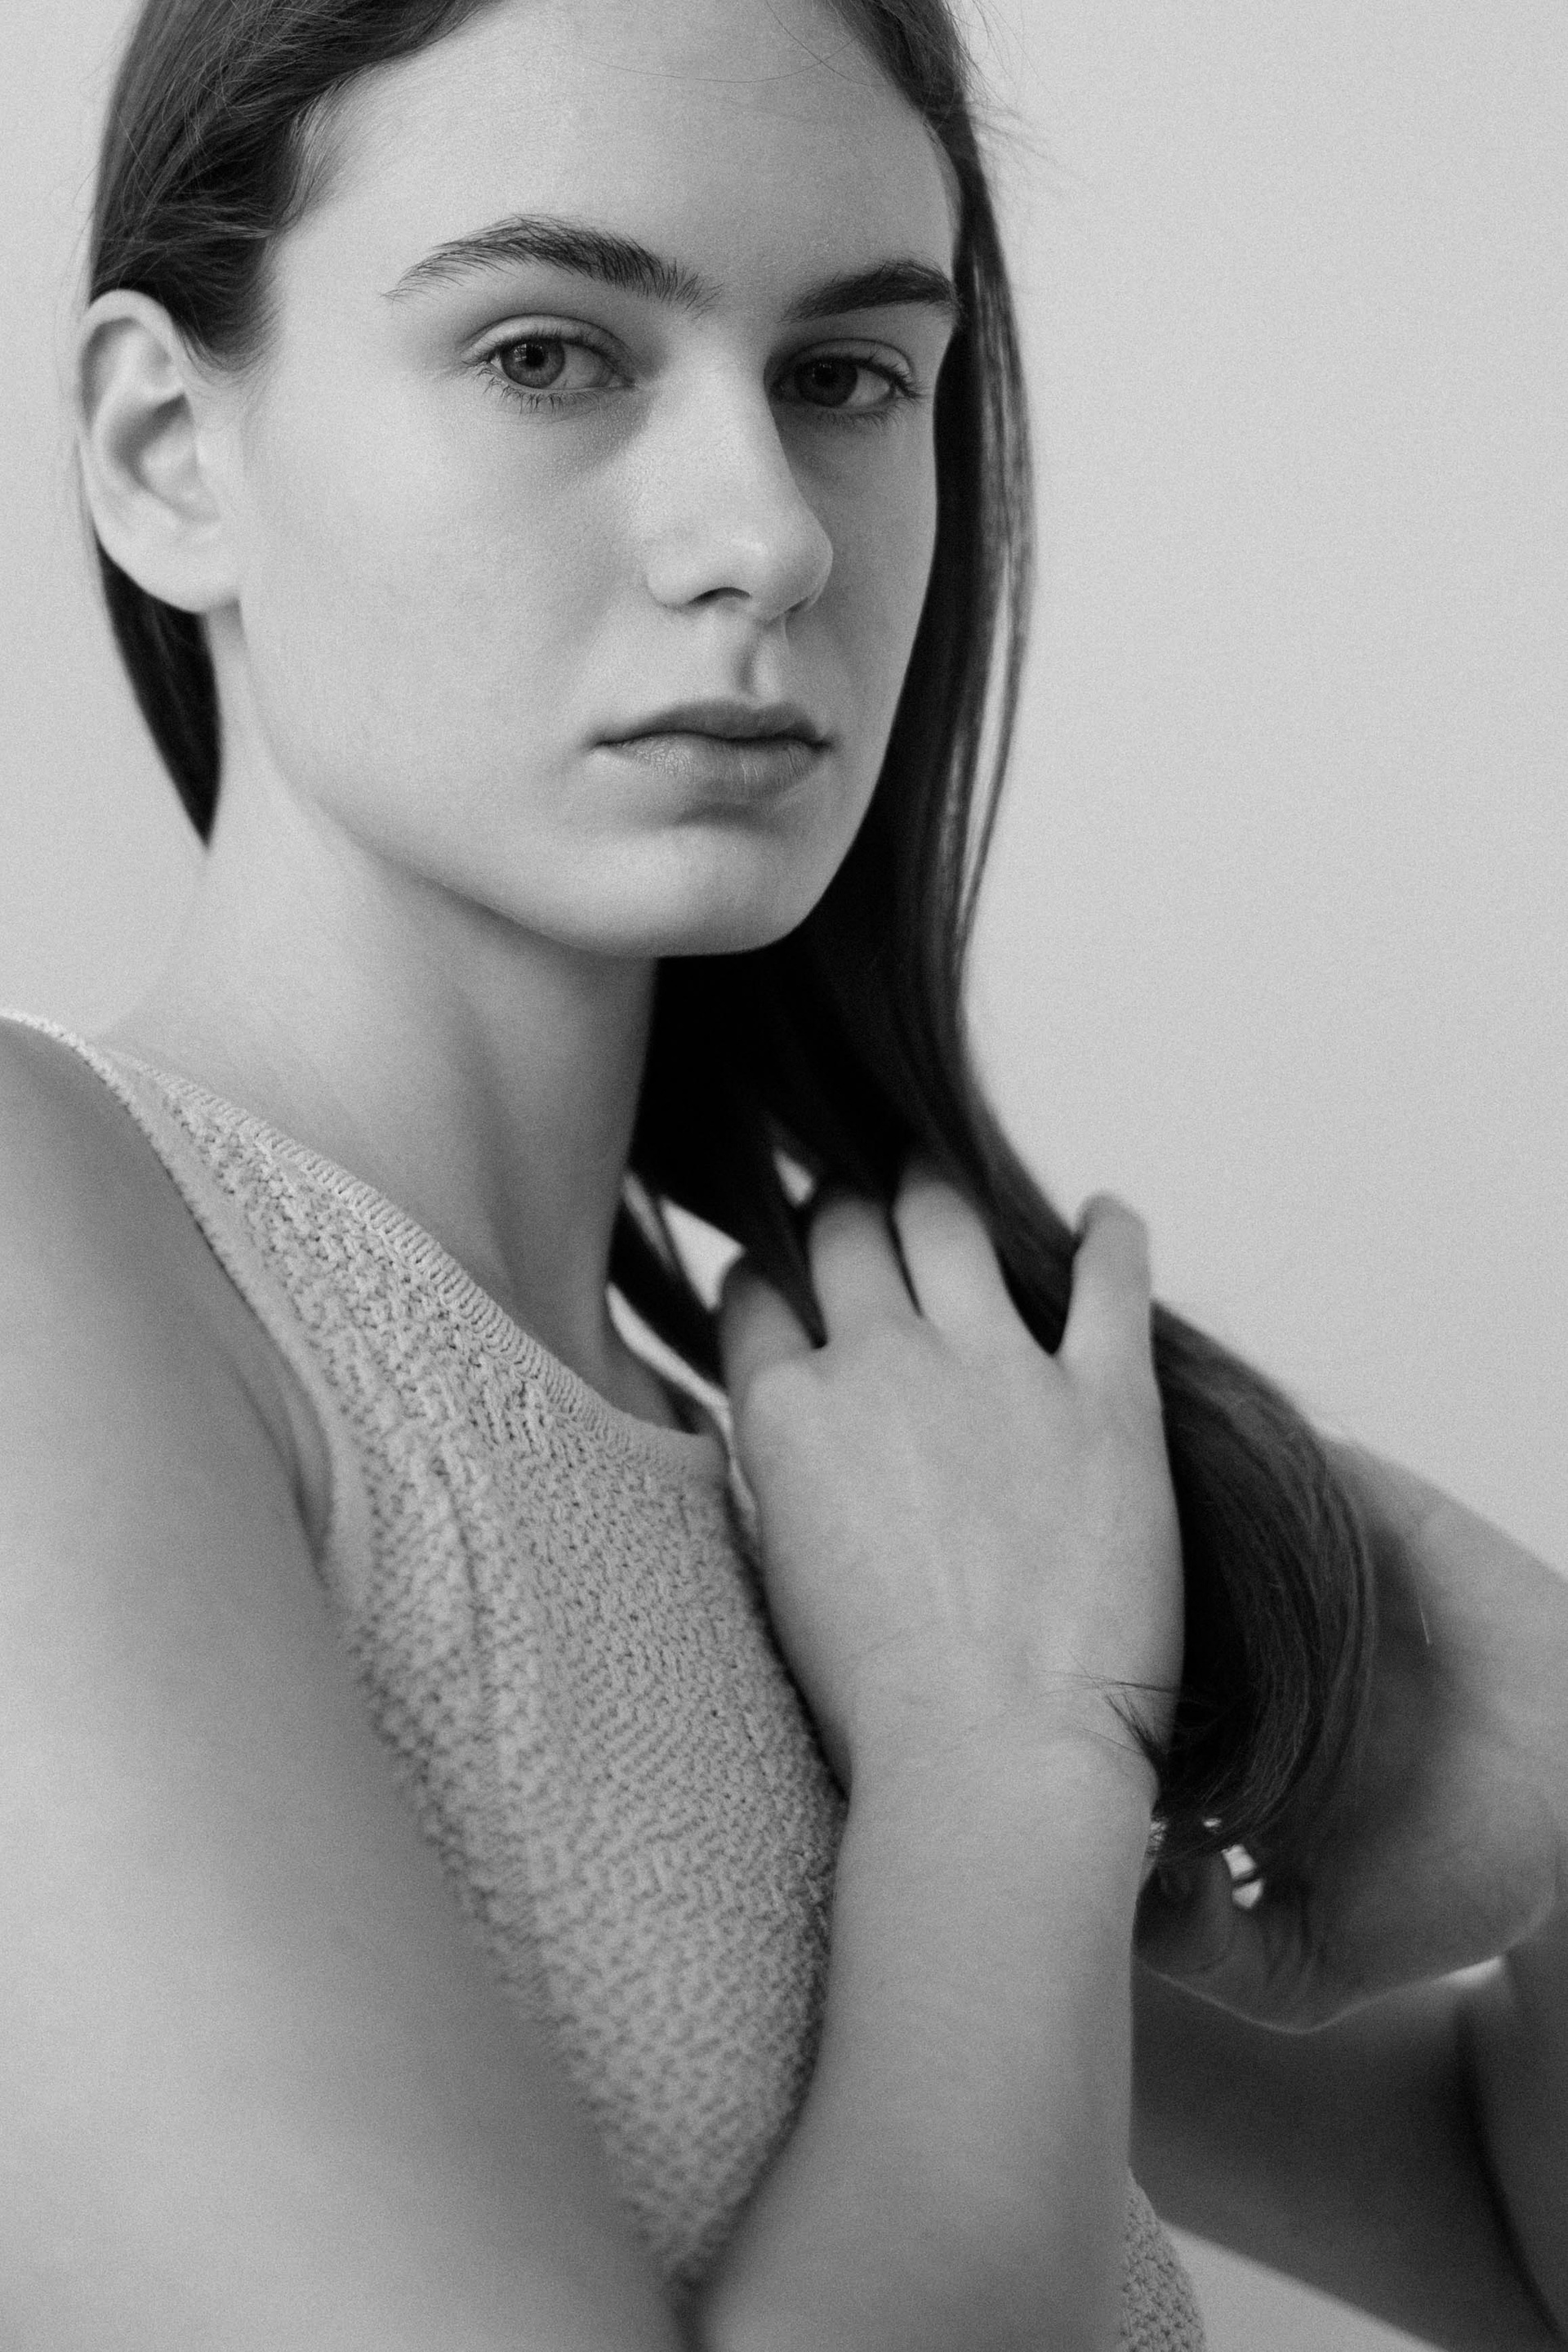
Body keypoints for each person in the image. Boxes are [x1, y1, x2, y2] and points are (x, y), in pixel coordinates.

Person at [0, 0, 1562, 2345]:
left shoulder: (854, 1507)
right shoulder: (59, 1247)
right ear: (164, 451)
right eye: (548, 354)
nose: (768, 533)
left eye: (847, 376)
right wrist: (1004, 1761)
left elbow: (1518, 2244)